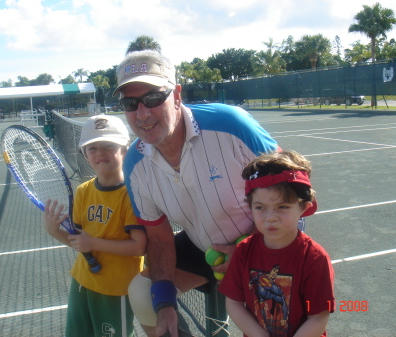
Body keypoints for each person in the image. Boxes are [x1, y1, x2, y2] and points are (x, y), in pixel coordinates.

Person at [115, 50, 280, 337]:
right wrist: (165, 301)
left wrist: (252, 246)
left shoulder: (231, 124)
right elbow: (158, 237)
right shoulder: (134, 166)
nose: (142, 113)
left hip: (269, 238)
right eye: (131, 103)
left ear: (176, 95)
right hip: (205, 248)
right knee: (144, 294)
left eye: (154, 98)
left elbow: (292, 185)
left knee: (268, 325)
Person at [44, 114, 147, 337]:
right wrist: (54, 231)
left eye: (109, 145)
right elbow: (79, 242)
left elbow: (139, 247)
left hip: (115, 288)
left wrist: (93, 243)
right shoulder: (83, 191)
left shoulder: (133, 194)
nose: (100, 153)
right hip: (81, 282)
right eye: (92, 148)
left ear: (124, 149)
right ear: (84, 154)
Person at [218, 151, 335, 337]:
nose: (270, 217)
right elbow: (233, 303)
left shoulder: (314, 258)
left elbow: (318, 317)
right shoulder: (243, 251)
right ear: (250, 207)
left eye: (282, 207)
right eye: (260, 208)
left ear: (303, 207)